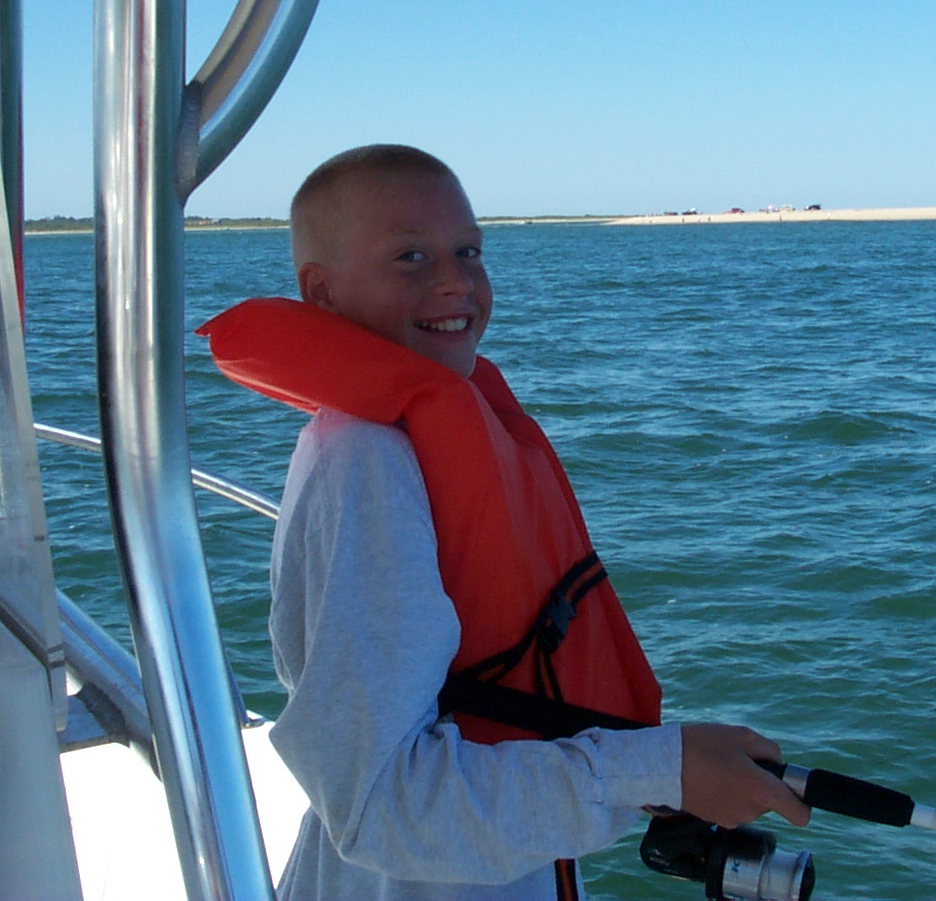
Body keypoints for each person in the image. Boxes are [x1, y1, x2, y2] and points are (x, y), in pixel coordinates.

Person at [203, 144, 808, 901]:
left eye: (469, 251)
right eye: (411, 256)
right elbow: (379, 806)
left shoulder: (412, 436)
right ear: (320, 293)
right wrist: (658, 770)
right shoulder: (364, 465)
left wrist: (660, 768)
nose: (455, 279)